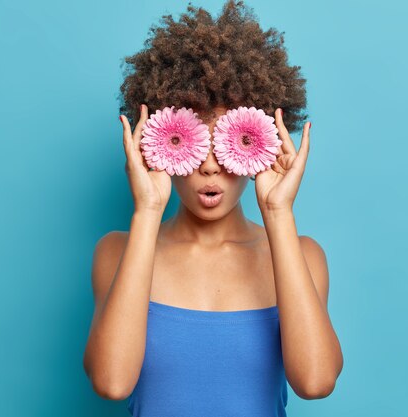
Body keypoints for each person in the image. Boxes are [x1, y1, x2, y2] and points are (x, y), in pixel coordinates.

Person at [83, 1, 343, 415]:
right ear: (161, 143)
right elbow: (112, 383)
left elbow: (315, 382)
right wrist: (147, 211)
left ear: (262, 144)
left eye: (229, 140)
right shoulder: (117, 252)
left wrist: (279, 213)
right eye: (193, 140)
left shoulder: (303, 256)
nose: (209, 164)